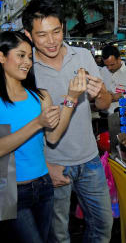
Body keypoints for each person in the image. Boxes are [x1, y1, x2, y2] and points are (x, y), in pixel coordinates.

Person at [22, 0, 113, 243]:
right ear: (28, 34)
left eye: (56, 31)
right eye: (42, 35)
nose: (51, 41)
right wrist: (45, 166)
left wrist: (101, 94)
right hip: (52, 165)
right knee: (57, 235)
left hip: (90, 159)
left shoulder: (82, 55)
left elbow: (104, 105)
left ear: (63, 27)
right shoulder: (25, 68)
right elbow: (20, 126)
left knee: (103, 226)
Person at [0, 31, 85, 242]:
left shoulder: (39, 96)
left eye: (29, 57)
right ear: (1, 56)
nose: (27, 62)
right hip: (10, 190)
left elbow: (53, 137)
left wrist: (71, 99)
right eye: (20, 55)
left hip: (44, 185)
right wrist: (37, 122)